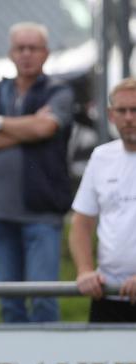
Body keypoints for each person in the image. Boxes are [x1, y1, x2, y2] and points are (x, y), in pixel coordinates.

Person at [0, 22, 74, 323]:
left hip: (41, 214)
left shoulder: (59, 92)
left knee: (43, 301)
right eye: (20, 48)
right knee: (9, 304)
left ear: (46, 53)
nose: (26, 54)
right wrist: (26, 129)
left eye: (33, 48)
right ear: (11, 53)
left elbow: (46, 126)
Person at [69, 77, 136, 321]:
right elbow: (81, 223)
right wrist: (85, 271)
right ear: (111, 115)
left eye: (135, 110)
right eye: (122, 110)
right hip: (107, 294)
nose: (129, 117)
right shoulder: (101, 157)